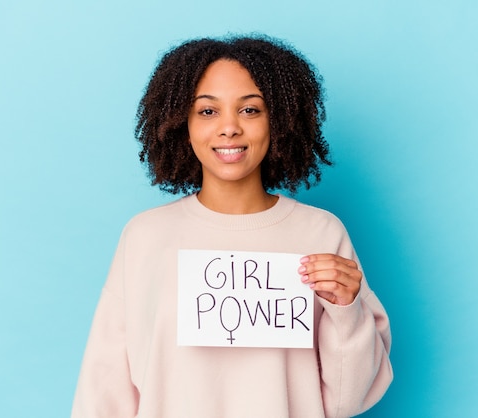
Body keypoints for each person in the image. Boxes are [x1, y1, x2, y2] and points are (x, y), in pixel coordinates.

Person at [71, 35, 392, 418]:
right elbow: (104, 388)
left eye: (250, 110)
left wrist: (346, 310)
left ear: (280, 120)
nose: (229, 128)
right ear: (181, 123)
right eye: (208, 111)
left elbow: (345, 400)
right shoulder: (145, 236)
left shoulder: (321, 233)